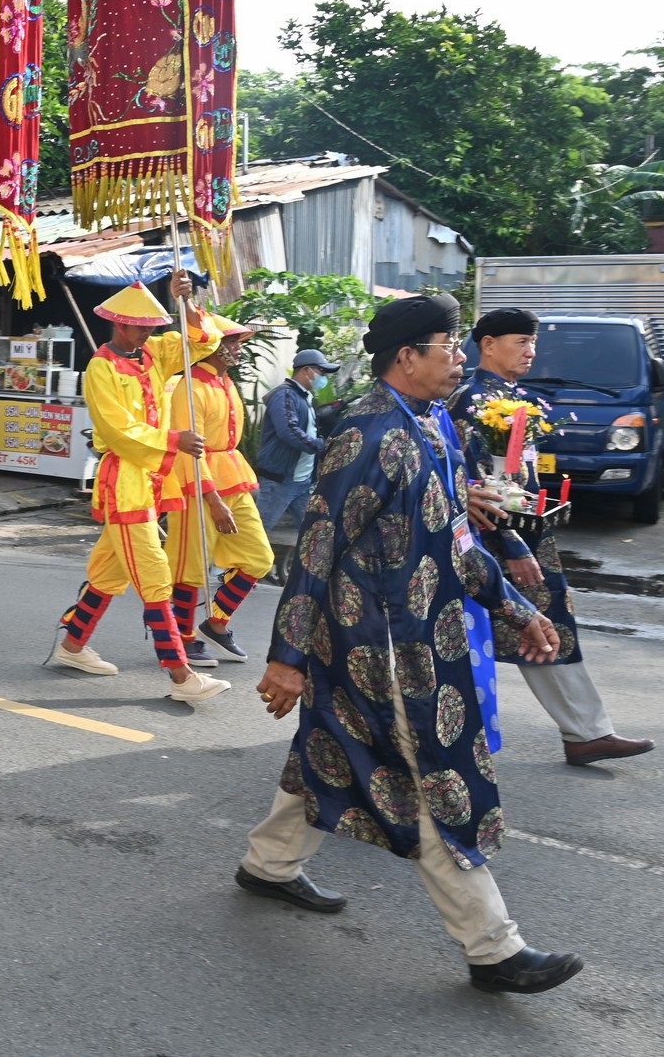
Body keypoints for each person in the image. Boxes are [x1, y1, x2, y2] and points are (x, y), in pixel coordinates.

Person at [237, 293, 585, 995]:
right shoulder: (364, 437)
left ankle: (267, 864)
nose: (461, 360)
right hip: (380, 649)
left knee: (333, 754)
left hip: (433, 637)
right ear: (407, 357)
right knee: (430, 784)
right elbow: (316, 548)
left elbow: (456, 537)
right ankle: (494, 948)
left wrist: (517, 608)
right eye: (449, 348)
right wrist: (287, 655)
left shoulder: (431, 425)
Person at [448, 307, 654, 767]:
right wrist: (515, 547)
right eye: (520, 342)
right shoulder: (473, 401)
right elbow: (481, 484)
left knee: (539, 629)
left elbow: (518, 475)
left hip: (524, 530)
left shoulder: (512, 396)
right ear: (488, 345)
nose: (531, 351)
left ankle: (585, 731)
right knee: (514, 629)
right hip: (497, 542)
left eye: (532, 342)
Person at [50, 276, 232, 703]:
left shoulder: (154, 354)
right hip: (125, 484)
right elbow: (117, 430)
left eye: (152, 324)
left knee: (109, 575)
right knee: (155, 576)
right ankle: (181, 675)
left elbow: (202, 341)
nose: (148, 331)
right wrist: (174, 441)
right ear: (118, 324)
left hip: (150, 481)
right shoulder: (101, 367)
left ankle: (73, 646)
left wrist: (184, 301)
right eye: (140, 326)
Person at [164, 314, 273, 667]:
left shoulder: (225, 383)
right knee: (191, 567)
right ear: (212, 344)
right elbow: (190, 451)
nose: (238, 348)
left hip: (231, 479)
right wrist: (212, 500)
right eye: (233, 341)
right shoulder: (190, 386)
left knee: (259, 558)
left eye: (239, 341)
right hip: (196, 484)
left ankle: (217, 621)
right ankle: (183, 638)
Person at [255, 349, 338, 534]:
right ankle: (234, 563)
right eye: (321, 371)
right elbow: (289, 431)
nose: (323, 377)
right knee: (256, 535)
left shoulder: (302, 396)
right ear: (306, 370)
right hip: (280, 481)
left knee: (313, 534)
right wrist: (319, 445)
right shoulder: (284, 395)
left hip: (302, 481)